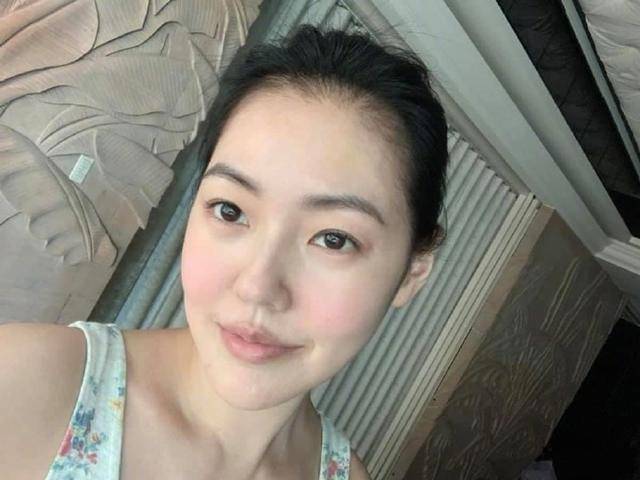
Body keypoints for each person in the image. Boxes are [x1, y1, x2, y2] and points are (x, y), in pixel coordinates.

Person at [0, 23, 448, 479]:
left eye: (334, 239)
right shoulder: (24, 386)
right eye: (230, 211)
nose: (257, 287)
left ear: (411, 273)